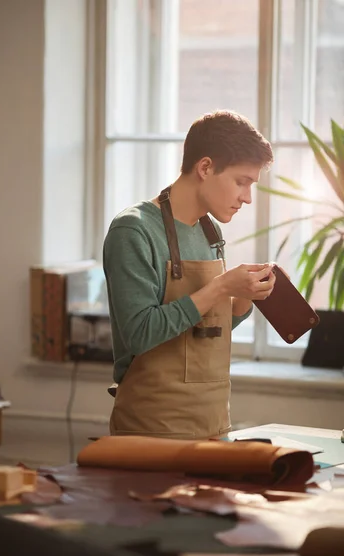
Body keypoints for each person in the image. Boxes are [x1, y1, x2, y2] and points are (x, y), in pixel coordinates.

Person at [103, 110, 275, 440]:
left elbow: (199, 332)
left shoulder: (209, 232)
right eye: (241, 182)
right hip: (151, 431)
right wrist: (222, 285)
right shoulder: (133, 230)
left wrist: (239, 302)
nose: (247, 198)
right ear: (205, 167)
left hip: (212, 425)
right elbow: (139, 333)